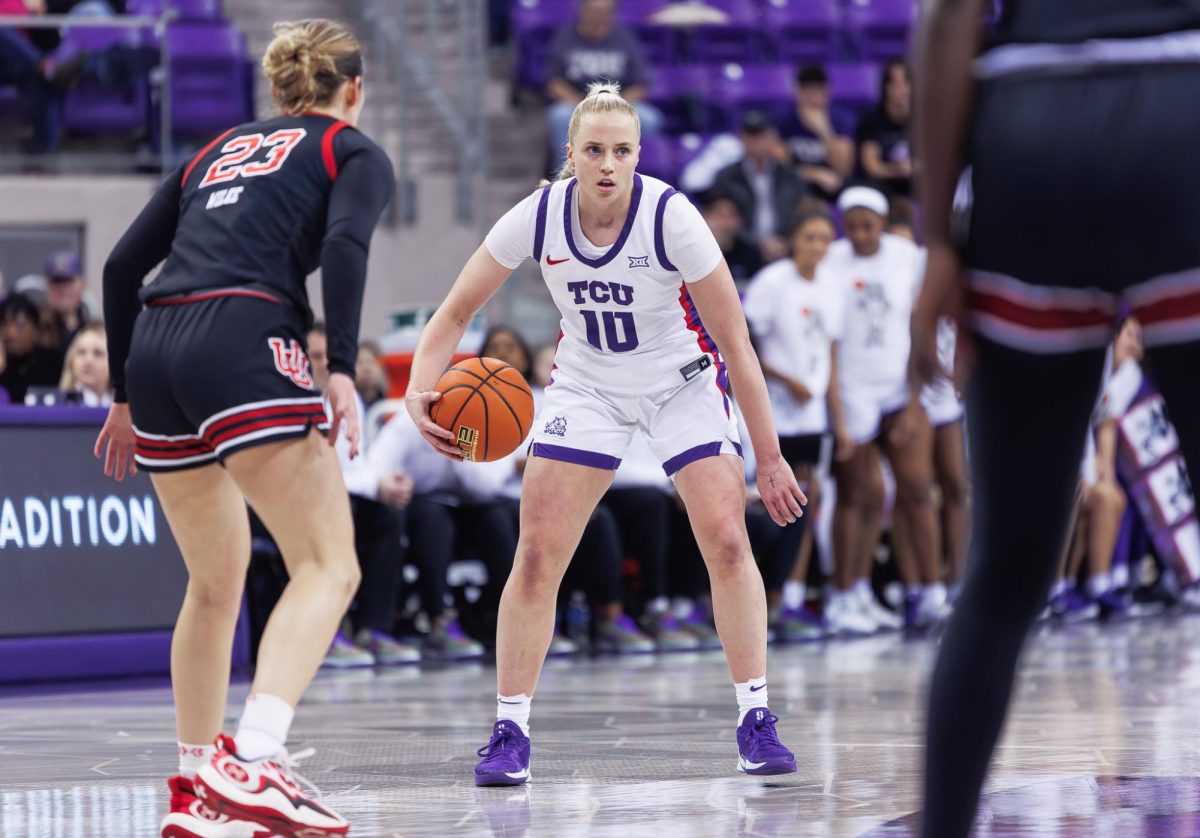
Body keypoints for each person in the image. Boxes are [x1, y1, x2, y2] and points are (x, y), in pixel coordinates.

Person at [405, 82, 806, 787]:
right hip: (586, 384)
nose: (608, 163)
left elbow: (735, 342)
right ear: (571, 155)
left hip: (679, 380)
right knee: (535, 556)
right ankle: (509, 731)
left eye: (622, 150)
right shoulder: (539, 215)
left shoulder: (671, 217)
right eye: (594, 149)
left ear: (639, 156)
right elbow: (455, 309)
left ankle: (755, 717)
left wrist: (767, 457)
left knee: (725, 535)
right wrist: (417, 387)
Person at [95, 19, 393, 837]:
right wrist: (339, 366)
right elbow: (344, 243)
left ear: (278, 89)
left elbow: (123, 266)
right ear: (353, 90)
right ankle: (254, 760)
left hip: (155, 348)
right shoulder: (348, 148)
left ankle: (196, 785)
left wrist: (122, 393)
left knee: (215, 583)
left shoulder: (214, 149)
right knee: (330, 563)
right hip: (242, 333)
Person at [912, 1, 1200, 834]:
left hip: (1030, 133)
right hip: (1181, 106)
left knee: (1004, 578)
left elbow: (947, 15)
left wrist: (935, 238)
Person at [823, 186, 944, 635]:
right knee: (857, 494)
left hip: (898, 386)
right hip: (854, 388)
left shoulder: (906, 257)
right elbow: (829, 339)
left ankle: (930, 592)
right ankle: (846, 594)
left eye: (867, 225)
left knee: (916, 488)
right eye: (851, 226)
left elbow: (921, 326)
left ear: (882, 221)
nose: (859, 234)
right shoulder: (833, 260)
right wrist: (836, 409)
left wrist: (915, 401)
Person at [741, 202, 842, 641]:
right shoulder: (771, 283)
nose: (816, 246)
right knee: (773, 500)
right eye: (809, 237)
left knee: (807, 498)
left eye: (823, 238)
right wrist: (785, 380)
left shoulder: (830, 286)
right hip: (774, 411)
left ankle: (790, 597)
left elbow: (830, 355)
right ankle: (757, 600)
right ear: (794, 240)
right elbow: (745, 343)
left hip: (812, 413)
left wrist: (835, 417)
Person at [308, 323, 419, 667]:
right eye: (315, 356)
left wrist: (383, 482)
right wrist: (373, 484)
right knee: (339, 512)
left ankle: (374, 629)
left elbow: (352, 465)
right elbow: (316, 475)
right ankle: (323, 633)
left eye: (331, 356)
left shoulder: (345, 394)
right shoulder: (291, 397)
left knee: (388, 514)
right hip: (289, 502)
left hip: (337, 496)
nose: (325, 363)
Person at [543, 0, 662, 170]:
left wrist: (616, 105)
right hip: (576, 104)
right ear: (582, 11)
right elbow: (553, 82)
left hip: (617, 104)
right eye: (594, 11)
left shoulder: (624, 39)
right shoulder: (565, 37)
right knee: (559, 115)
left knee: (649, 119)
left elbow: (641, 84)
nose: (599, 17)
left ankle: (632, 176)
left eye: (605, 12)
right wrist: (583, 105)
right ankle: (568, 178)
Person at [711, 111, 808, 265]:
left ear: (774, 138)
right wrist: (757, 244)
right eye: (751, 136)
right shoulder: (726, 178)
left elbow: (803, 214)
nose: (756, 142)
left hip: (787, 253)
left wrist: (785, 242)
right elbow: (720, 217)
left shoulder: (791, 178)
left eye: (762, 135)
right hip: (739, 256)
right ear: (741, 138)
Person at [778, 65, 855, 202]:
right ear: (797, 93)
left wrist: (824, 132)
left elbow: (844, 169)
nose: (815, 100)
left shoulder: (841, 120)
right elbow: (778, 170)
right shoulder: (782, 120)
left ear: (828, 93)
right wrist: (814, 174)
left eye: (820, 93)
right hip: (796, 187)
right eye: (809, 93)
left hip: (831, 188)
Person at [855, 58, 912, 198]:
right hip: (884, 187)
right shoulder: (871, 120)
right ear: (885, 87)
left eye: (906, 82)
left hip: (916, 185)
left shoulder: (923, 120)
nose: (902, 90)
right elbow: (872, 166)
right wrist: (897, 170)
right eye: (895, 84)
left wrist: (915, 169)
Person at [0, 292, 64, 403]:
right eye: (4, 325)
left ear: (35, 329)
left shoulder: (54, 362)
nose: (10, 332)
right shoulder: (2, 364)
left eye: (19, 324)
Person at [700, 190, 763, 284]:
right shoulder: (696, 251)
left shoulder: (750, 255)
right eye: (719, 215)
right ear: (706, 216)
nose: (724, 222)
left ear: (740, 220)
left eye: (730, 215)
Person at [44, 250, 94, 350]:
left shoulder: (94, 332)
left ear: (82, 285)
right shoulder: (36, 333)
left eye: (68, 283)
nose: (63, 290)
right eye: (57, 283)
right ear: (47, 288)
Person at [58, 320, 112, 405]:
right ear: (71, 361)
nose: (88, 360)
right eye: (81, 352)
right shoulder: (58, 406)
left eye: (98, 353)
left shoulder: (127, 407)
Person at [354, 339, 390, 407]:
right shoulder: (349, 403)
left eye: (370, 362)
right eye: (359, 363)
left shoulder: (389, 403)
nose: (366, 368)